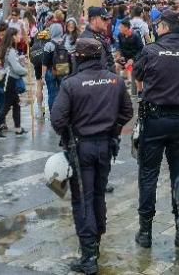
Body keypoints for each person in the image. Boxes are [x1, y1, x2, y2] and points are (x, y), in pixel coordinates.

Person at [50, 37, 133, 274]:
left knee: (83, 199)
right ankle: (95, 244)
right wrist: (113, 129)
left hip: (81, 147)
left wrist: (70, 133)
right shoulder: (115, 81)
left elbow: (57, 119)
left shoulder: (71, 84)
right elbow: (127, 111)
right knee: (98, 195)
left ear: (79, 57)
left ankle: (88, 256)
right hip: (105, 146)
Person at [133, 10, 179, 249]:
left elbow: (138, 75)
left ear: (163, 27)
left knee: (148, 174)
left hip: (155, 118)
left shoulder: (151, 50)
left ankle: (145, 231)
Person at [0, 27, 29, 137]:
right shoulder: (10, 51)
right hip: (11, 80)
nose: (19, 37)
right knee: (6, 106)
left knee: (16, 104)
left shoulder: (6, 49)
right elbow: (16, 68)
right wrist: (25, 71)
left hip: (8, 79)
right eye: (18, 35)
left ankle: (18, 128)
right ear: (13, 37)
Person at [79, 7, 115, 72]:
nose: (108, 21)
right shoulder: (89, 41)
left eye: (108, 19)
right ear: (93, 20)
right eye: (104, 19)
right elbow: (95, 71)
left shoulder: (98, 35)